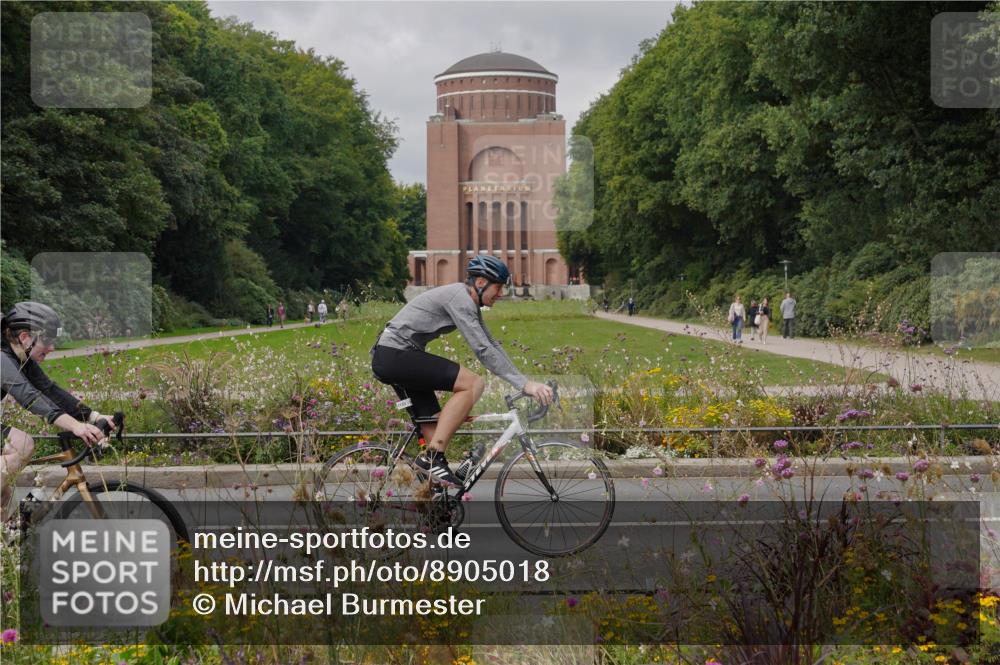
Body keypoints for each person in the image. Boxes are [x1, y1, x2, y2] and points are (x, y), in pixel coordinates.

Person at [370, 255, 553, 485]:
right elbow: (482, 349)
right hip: (395, 355)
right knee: (473, 383)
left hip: (396, 356)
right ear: (480, 283)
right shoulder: (460, 299)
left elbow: (491, 343)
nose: (501, 293)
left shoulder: (468, 302)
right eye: (498, 287)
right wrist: (525, 385)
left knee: (435, 427)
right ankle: (433, 457)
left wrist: (522, 381)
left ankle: (435, 504)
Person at [1, 302, 113, 519]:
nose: (52, 347)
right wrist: (76, 426)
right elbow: (29, 397)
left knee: (3, 496)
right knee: (23, 444)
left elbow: (48, 389)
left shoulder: (20, 356)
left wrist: (94, 416)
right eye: (47, 340)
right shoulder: (1, 358)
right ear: (25, 337)